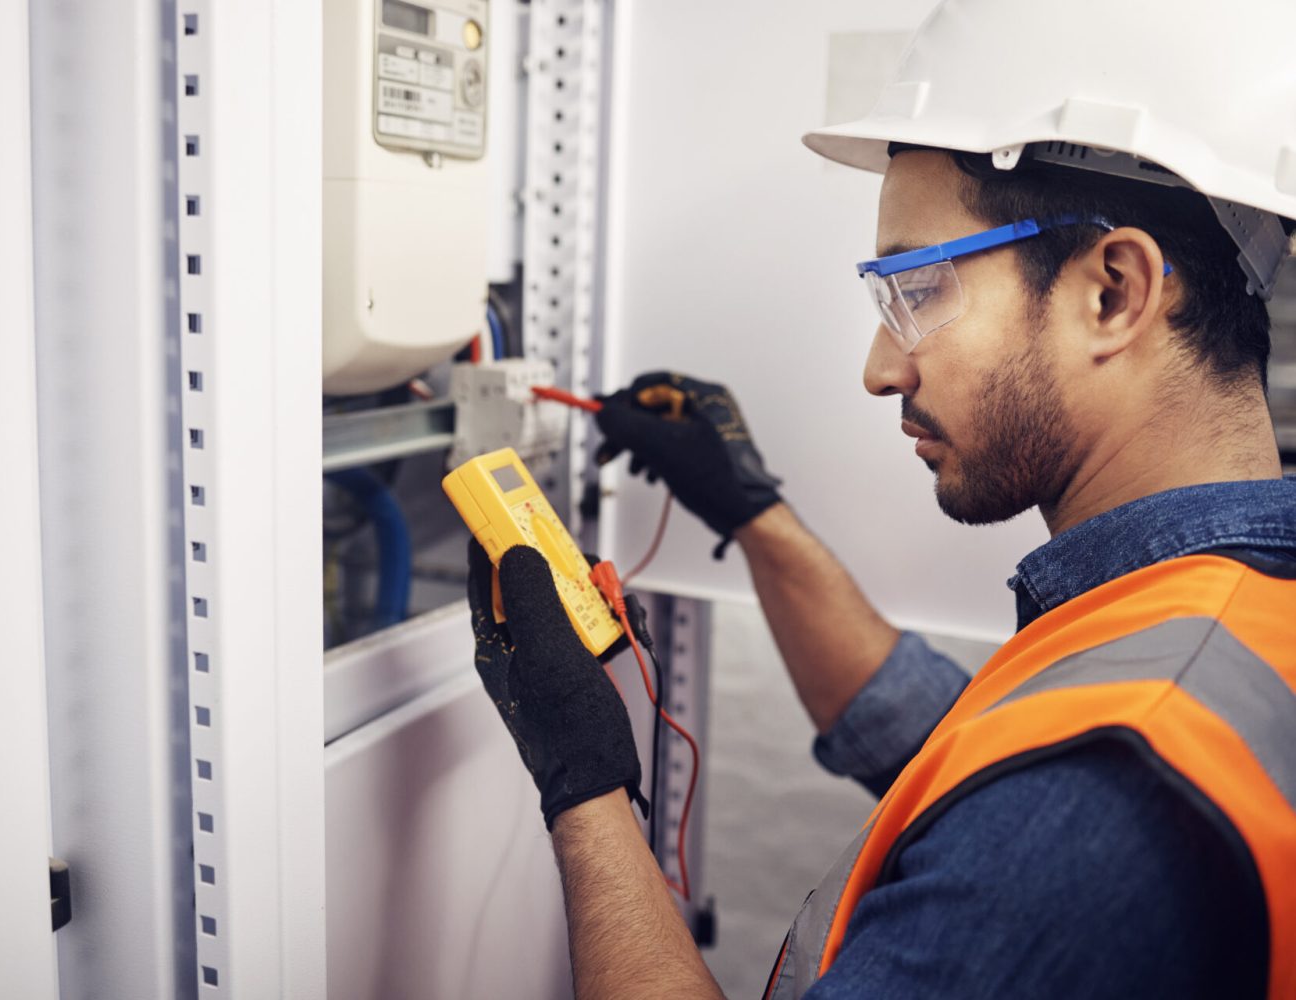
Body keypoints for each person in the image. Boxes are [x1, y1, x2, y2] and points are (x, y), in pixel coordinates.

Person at [463, 1, 1296, 996]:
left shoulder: (1109, 787)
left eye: (918, 290)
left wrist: (583, 781)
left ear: (1111, 291)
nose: (878, 368)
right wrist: (752, 513)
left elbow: (1037, 812)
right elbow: (939, 738)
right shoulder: (1215, 613)